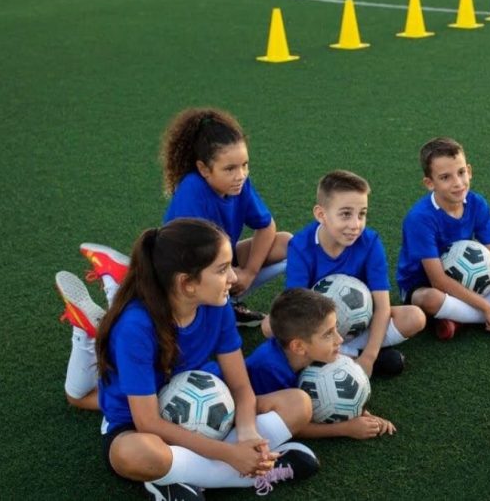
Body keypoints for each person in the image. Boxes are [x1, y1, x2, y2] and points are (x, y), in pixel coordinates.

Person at [61, 218, 317, 500]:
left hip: (209, 410)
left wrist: (248, 434)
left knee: (299, 404)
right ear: (187, 283)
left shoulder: (217, 305)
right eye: (222, 270)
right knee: (134, 454)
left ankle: (180, 479)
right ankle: (246, 477)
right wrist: (230, 454)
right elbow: (148, 422)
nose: (233, 278)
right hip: (139, 425)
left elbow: (241, 387)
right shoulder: (135, 327)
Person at [396, 137, 490, 341]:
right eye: (445, 177)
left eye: (461, 172)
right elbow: (438, 280)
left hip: (468, 279)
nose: (458, 183)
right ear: (430, 183)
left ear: (469, 171)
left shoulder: (477, 204)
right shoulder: (419, 218)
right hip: (424, 285)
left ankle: (459, 319)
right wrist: (487, 307)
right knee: (429, 298)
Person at [161, 108, 291, 333]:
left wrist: (249, 272)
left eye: (245, 165)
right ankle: (209, 313)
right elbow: (193, 256)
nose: (240, 175)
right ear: (204, 169)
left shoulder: (239, 184)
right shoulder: (192, 190)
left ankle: (228, 305)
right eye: (230, 168)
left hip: (221, 262)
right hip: (188, 270)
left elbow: (267, 227)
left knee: (286, 243)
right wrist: (229, 273)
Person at [285, 170, 426, 376]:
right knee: (270, 327)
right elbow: (296, 308)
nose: (355, 225)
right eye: (345, 214)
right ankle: (349, 357)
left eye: (362, 214)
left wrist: (368, 357)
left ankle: (344, 359)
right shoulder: (300, 246)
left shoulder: (370, 243)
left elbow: (382, 306)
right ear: (321, 214)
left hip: (361, 326)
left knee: (415, 317)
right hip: (317, 330)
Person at [242, 288, 397, 440]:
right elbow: (290, 424)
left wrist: (364, 415)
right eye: (328, 334)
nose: (340, 340)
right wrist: (346, 429)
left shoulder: (309, 353)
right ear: (298, 347)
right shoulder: (269, 369)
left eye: (335, 328)